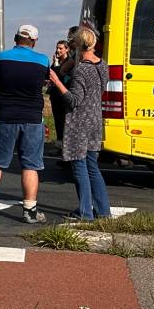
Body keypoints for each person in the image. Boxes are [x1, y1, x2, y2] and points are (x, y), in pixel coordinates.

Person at [0, 24, 50, 223]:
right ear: (34, 41)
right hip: (32, 117)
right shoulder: (43, 60)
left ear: (15, 38)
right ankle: (30, 209)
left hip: (5, 115)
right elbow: (45, 81)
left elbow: (0, 78)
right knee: (31, 165)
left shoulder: (1, 57)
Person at [48, 27, 111, 220]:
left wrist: (57, 81)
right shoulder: (102, 65)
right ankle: (103, 210)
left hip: (79, 122)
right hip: (95, 119)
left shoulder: (82, 69)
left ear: (76, 46)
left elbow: (74, 100)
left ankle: (85, 212)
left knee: (79, 166)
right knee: (92, 167)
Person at [48, 40, 71, 149]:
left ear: (67, 49)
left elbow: (60, 76)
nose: (58, 50)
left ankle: (65, 146)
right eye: (57, 48)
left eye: (60, 48)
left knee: (64, 121)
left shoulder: (69, 62)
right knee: (57, 121)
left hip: (64, 96)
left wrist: (56, 64)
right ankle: (59, 144)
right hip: (55, 96)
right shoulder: (56, 62)